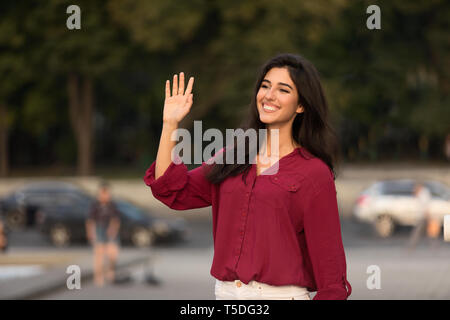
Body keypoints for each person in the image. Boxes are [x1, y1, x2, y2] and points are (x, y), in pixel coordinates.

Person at [144, 53, 352, 300]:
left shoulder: (314, 173)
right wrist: (170, 124)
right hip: (226, 295)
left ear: (301, 105)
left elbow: (332, 276)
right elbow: (171, 190)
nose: (269, 95)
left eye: (283, 90)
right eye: (265, 86)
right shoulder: (231, 157)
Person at [86, 182, 121, 286]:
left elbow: (116, 219)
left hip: (110, 228)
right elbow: (90, 221)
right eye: (103, 193)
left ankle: (110, 273)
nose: (105, 196)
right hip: (99, 228)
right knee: (99, 255)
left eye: (107, 194)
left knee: (113, 254)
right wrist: (90, 233)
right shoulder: (95, 205)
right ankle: (99, 276)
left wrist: (113, 230)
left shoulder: (112, 205)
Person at [407, 182, 432, 250]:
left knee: (417, 232)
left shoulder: (423, 194)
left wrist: (427, 216)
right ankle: (433, 245)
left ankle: (411, 246)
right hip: (422, 216)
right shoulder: (421, 193)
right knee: (426, 232)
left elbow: (425, 205)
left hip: (423, 216)